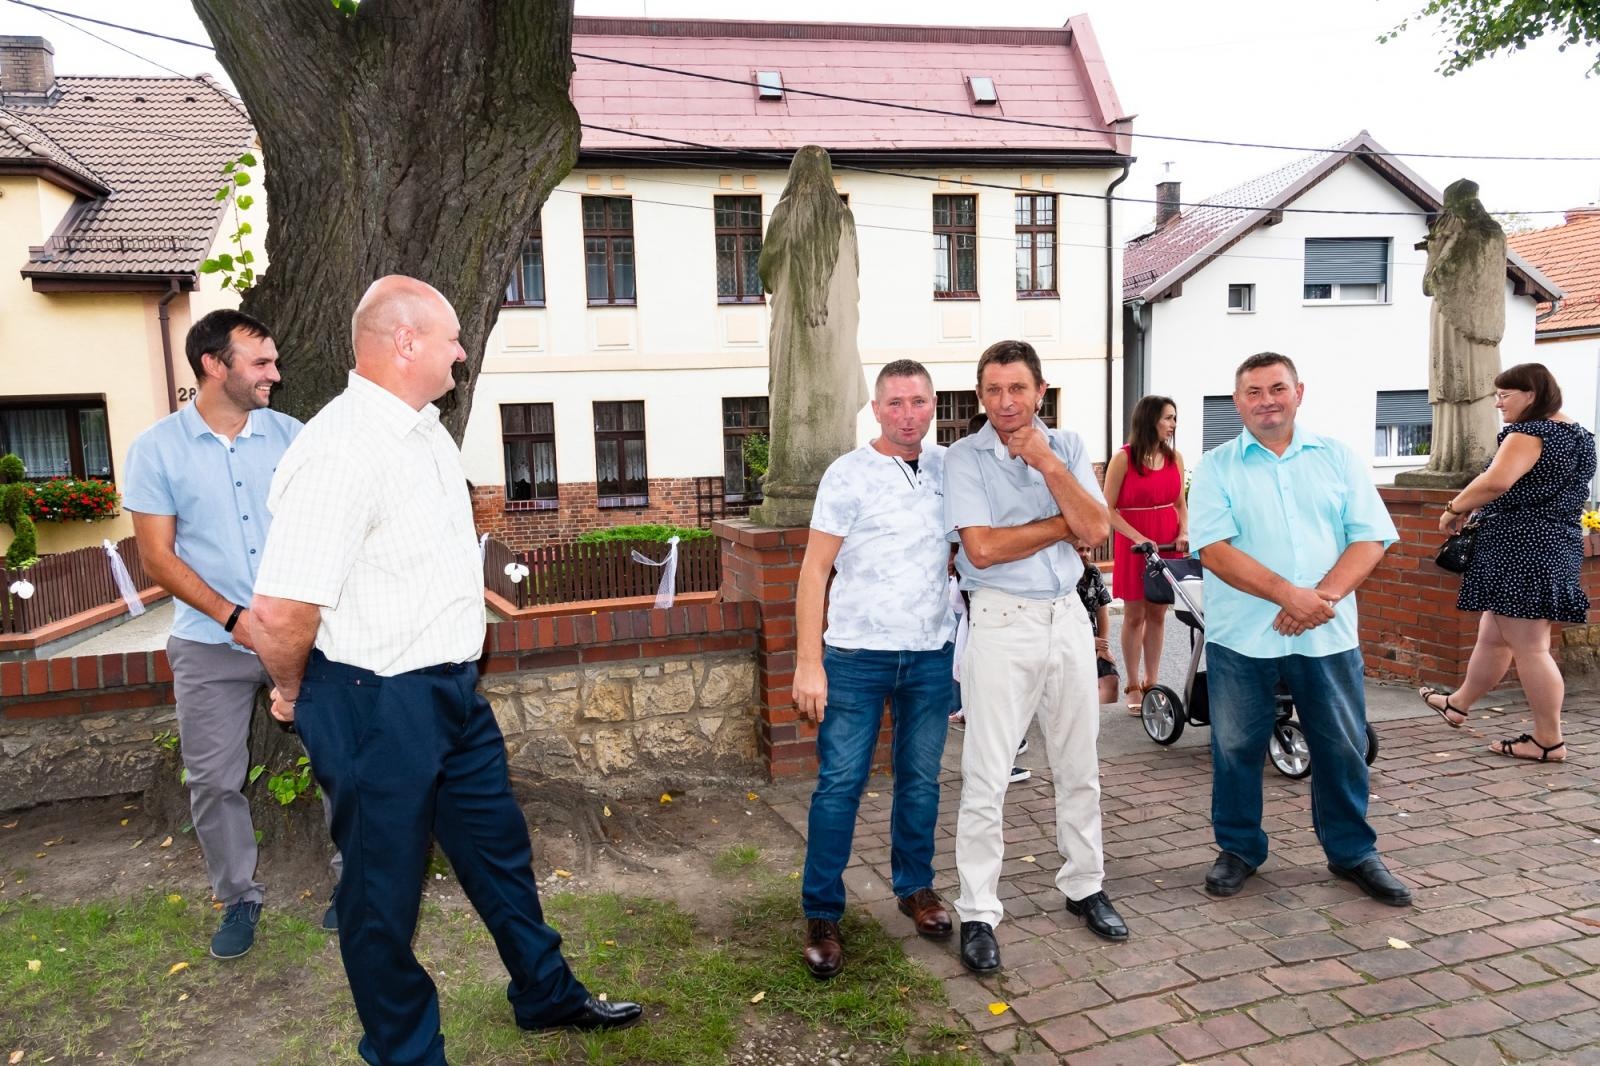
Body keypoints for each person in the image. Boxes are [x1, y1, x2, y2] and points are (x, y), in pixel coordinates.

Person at [250, 277, 640, 1065]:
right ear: (404, 343)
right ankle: (404, 1052)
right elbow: (284, 612)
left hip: (451, 695)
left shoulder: (424, 430)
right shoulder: (339, 449)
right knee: (380, 895)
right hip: (372, 703)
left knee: (499, 854)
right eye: (452, 338)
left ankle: (544, 993)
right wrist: (291, 690)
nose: (463, 351)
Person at [123, 309, 340, 960]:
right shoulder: (155, 449)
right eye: (261, 363)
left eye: (274, 360)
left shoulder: (294, 437)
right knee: (214, 780)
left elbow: (325, 529)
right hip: (207, 642)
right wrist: (234, 619)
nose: (276, 372)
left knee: (342, 761)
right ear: (214, 366)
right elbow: (157, 558)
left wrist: (291, 621)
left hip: (302, 637)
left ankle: (353, 885)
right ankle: (239, 897)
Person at [1188, 352, 1410, 907]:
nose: (1267, 400)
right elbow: (1213, 551)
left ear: (1299, 392)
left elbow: (1370, 538)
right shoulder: (1215, 467)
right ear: (1237, 402)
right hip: (1242, 638)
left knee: (1343, 747)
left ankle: (1353, 852)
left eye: (1277, 388)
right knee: (1236, 748)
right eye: (1254, 392)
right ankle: (1239, 849)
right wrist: (1289, 595)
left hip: (1327, 635)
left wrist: (1323, 597)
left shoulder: (1338, 458)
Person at [944, 339, 1123, 975]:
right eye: (992, 390)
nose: (1005, 402)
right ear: (980, 396)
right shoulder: (963, 458)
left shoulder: (1067, 447)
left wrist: (1049, 466)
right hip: (1000, 619)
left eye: (1017, 389)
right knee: (987, 775)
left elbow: (1098, 530)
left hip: (1067, 617)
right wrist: (1060, 524)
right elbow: (984, 550)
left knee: (1079, 766)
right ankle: (978, 911)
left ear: (1039, 392)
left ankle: (1084, 886)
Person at [793, 359, 957, 979]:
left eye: (918, 401)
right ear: (876, 406)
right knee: (840, 786)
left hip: (930, 655)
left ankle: (915, 889)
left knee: (921, 781)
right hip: (857, 657)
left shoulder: (948, 468)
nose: (907, 414)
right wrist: (809, 662)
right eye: (895, 403)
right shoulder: (848, 474)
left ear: (934, 404)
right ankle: (822, 914)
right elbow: (814, 572)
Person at [1422, 363, 1595, 762]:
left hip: (1521, 545)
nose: (1498, 403)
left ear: (1531, 395)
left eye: (1505, 395)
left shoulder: (1529, 433)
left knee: (1531, 647)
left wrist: (1453, 507)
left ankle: (1548, 740)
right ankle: (1458, 704)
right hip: (1556, 543)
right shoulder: (1578, 435)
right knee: (1494, 635)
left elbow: (1497, 481)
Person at [1103, 396, 1188, 712]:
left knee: (1158, 613)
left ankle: (1153, 680)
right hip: (1135, 541)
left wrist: (1183, 532)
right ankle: (1133, 683)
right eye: (1168, 417)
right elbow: (1107, 508)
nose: (1173, 424)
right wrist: (1139, 537)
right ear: (1150, 419)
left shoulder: (1175, 457)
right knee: (1135, 614)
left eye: (1175, 418)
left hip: (1167, 539)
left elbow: (1180, 503)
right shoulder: (1123, 459)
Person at [1075, 545, 1120, 706]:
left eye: (1088, 549)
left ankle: (1098, 726)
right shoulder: (1059, 577)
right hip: (1066, 642)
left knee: (1111, 680)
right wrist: (1085, 640)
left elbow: (1102, 611)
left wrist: (1103, 645)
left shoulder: (1093, 572)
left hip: (1094, 641)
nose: (1085, 554)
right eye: (1080, 550)